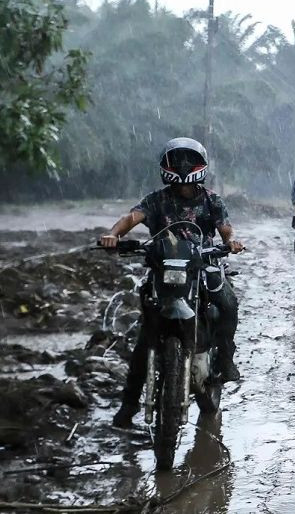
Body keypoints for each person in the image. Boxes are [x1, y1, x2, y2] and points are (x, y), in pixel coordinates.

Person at [98, 137, 244, 428]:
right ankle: (128, 407)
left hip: (202, 267)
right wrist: (113, 234)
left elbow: (225, 228)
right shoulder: (156, 199)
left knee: (228, 304)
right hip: (163, 273)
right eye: (177, 161)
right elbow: (131, 218)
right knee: (145, 339)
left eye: (188, 161)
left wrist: (231, 241)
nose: (182, 167)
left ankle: (225, 359)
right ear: (167, 165)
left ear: (199, 165)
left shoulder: (211, 199)